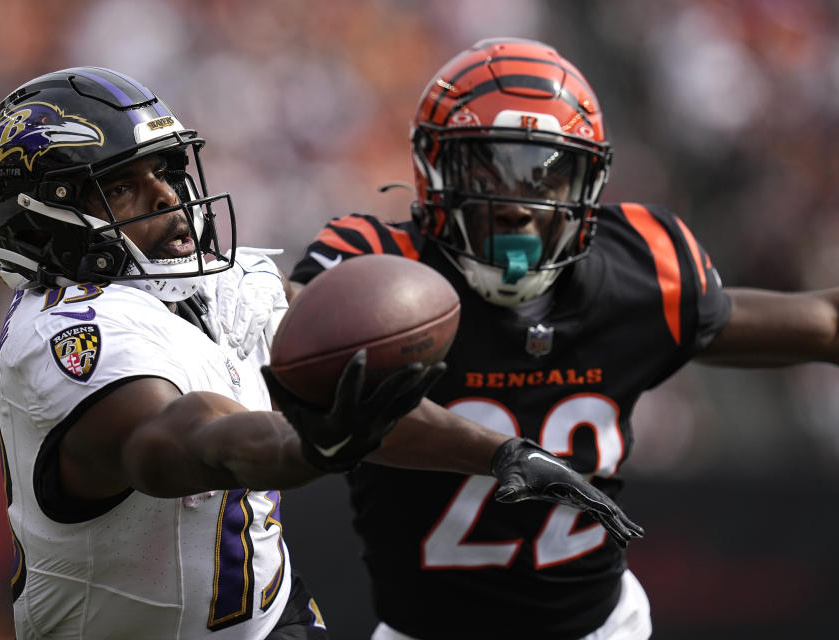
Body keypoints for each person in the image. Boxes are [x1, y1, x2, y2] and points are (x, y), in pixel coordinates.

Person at [0, 66, 642, 639]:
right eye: (122, 185)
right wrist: (309, 449)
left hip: (273, 619)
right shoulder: (63, 333)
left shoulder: (223, 287)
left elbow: (353, 394)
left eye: (166, 169)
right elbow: (185, 441)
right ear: (41, 220)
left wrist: (501, 452)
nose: (169, 195)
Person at [288, 38, 839, 640]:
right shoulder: (379, 276)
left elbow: (819, 323)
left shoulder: (641, 271)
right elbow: (294, 339)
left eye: (547, 174)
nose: (519, 205)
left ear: (588, 185)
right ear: (434, 170)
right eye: (489, 168)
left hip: (600, 628)